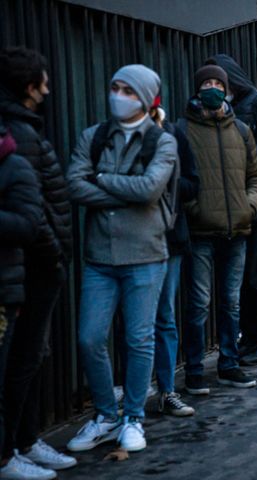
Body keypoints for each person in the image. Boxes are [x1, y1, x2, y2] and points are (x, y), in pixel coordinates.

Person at [66, 65, 177, 453]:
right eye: (114, 87)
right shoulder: (93, 136)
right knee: (89, 337)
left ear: (145, 97)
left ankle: (133, 416)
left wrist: (101, 180)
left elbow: (149, 190)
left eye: (127, 90)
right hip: (99, 256)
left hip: (145, 254)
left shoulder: (161, 142)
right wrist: (120, 191)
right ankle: (106, 415)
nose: (118, 95)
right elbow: (74, 186)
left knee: (139, 337)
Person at [0, 47, 77, 473]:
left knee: (30, 358)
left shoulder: (23, 126)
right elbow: (35, 211)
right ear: (31, 87)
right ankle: (12, 448)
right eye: (43, 82)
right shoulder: (20, 133)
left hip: (32, 266)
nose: (48, 89)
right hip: (30, 269)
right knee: (22, 360)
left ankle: (25, 441)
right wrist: (53, 256)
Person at [180, 65, 257, 395]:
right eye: (207, 83)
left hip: (236, 231)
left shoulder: (241, 130)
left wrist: (249, 206)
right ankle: (195, 369)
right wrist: (194, 209)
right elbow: (177, 181)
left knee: (231, 302)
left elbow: (255, 177)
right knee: (198, 303)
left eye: (218, 83)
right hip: (200, 232)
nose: (213, 88)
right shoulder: (183, 129)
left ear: (227, 90)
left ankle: (229, 364)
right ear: (197, 89)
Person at [205, 54, 257, 366]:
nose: (213, 88)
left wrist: (233, 153)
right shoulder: (223, 109)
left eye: (218, 82)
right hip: (229, 208)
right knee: (238, 281)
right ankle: (249, 338)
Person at [0, 123, 50, 480]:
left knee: (25, 361)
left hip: (10, 282)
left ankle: (15, 449)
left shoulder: (14, 162)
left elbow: (29, 221)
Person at [149, 105, 198, 417]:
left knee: (164, 316)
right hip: (131, 241)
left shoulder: (172, 134)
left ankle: (167, 390)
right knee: (135, 322)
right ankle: (133, 394)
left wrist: (164, 180)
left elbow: (193, 183)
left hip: (169, 238)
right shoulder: (109, 135)